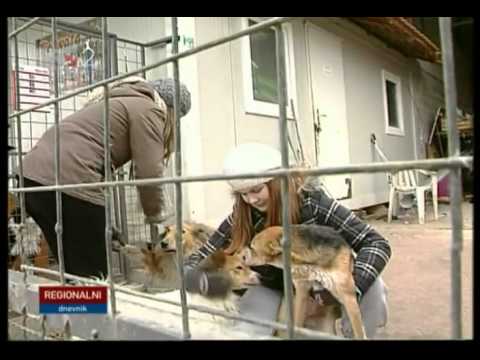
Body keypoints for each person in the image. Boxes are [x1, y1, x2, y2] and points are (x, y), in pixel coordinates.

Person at [184, 142, 391, 338]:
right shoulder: (242, 215)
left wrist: (348, 286)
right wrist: (199, 279)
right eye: (243, 194)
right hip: (274, 288)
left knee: (374, 289)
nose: (251, 200)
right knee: (248, 329)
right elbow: (202, 255)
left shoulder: (313, 203)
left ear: (276, 182)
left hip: (322, 284)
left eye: (256, 190)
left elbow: (376, 243)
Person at [19, 76, 191, 278]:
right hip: (68, 181)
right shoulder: (148, 109)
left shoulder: (116, 102)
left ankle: (54, 306)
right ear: (172, 111)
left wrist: (103, 223)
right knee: (94, 277)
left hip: (31, 178)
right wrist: (156, 215)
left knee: (74, 272)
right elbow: (149, 172)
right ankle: (69, 306)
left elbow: (87, 156)